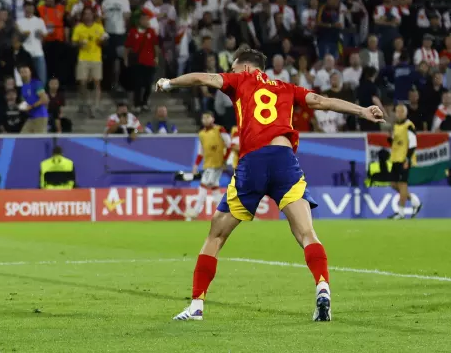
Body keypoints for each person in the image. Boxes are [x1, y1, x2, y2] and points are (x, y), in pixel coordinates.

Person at [156, 46, 385, 322]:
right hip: (283, 160)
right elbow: (322, 101)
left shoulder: (239, 80)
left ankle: (196, 306)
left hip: (253, 162)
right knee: (306, 233)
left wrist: (170, 83)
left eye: (233, 67)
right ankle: (322, 287)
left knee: (216, 236)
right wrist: (362, 111)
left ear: (245, 67)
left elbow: (204, 78)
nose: (229, 72)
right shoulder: (287, 87)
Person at [185, 112, 230, 220]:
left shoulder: (220, 130)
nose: (205, 120)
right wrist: (196, 165)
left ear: (213, 119)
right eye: (203, 118)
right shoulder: (201, 134)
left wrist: (224, 161)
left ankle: (195, 212)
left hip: (217, 164)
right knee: (214, 189)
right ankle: (224, 212)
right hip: (208, 164)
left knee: (203, 186)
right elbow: (201, 152)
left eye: (208, 117)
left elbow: (229, 145)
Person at [388, 104, 423, 219]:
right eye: (397, 111)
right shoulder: (395, 126)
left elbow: (413, 145)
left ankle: (401, 212)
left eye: (401, 111)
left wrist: (407, 159)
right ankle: (414, 201)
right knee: (393, 184)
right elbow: (395, 142)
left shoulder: (409, 126)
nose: (399, 114)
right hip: (395, 158)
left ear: (405, 113)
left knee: (403, 185)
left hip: (404, 159)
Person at [18, 64, 49, 133]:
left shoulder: (36, 83)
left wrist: (31, 107)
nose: (24, 74)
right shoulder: (23, 87)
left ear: (30, 73)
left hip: (40, 116)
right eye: (22, 72)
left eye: (25, 72)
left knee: (39, 141)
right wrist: (22, 107)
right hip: (31, 117)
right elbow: (24, 102)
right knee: (21, 139)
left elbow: (44, 99)